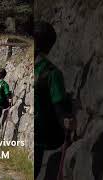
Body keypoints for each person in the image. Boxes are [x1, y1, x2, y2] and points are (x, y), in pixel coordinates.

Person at [34, 21, 75, 179]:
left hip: (37, 139)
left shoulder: (51, 73)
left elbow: (59, 107)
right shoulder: (48, 72)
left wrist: (66, 119)